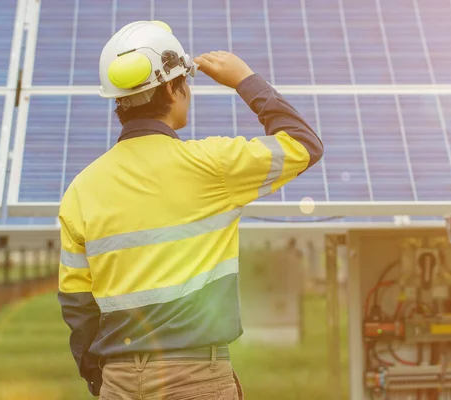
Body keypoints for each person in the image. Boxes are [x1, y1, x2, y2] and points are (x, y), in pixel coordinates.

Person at [57, 20, 323, 399]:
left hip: (117, 380)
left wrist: (103, 381)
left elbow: (77, 303)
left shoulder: (81, 189)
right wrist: (244, 79)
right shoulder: (213, 166)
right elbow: (303, 144)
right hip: (195, 377)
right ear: (171, 87)